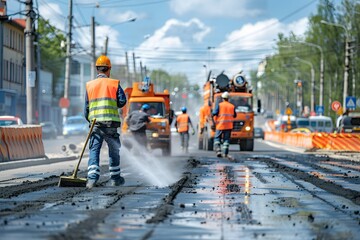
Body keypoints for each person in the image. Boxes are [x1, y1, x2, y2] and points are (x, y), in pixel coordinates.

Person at [84, 55, 127, 189]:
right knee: (114, 149)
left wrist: (89, 119)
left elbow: (86, 107)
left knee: (94, 149)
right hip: (111, 123)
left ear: (97, 69)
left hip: (95, 124)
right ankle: (115, 178)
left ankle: (92, 178)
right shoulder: (114, 83)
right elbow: (122, 101)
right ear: (109, 69)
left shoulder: (89, 85)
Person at [212, 91, 237, 158]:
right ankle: (225, 153)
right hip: (228, 126)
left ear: (222, 98)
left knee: (217, 138)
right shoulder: (232, 106)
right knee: (226, 140)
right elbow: (234, 115)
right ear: (228, 98)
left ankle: (218, 151)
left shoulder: (220, 105)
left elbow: (214, 113)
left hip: (220, 125)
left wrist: (213, 122)